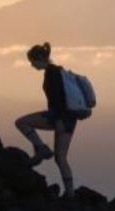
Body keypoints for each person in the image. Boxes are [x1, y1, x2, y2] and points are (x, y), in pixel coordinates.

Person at [14, 43, 77, 199]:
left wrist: (59, 121)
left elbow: (58, 100)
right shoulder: (58, 71)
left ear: (40, 58)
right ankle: (70, 194)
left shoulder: (52, 74)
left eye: (33, 61)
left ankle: (41, 149)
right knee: (61, 158)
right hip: (69, 119)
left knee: (22, 122)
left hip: (58, 118)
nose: (32, 65)